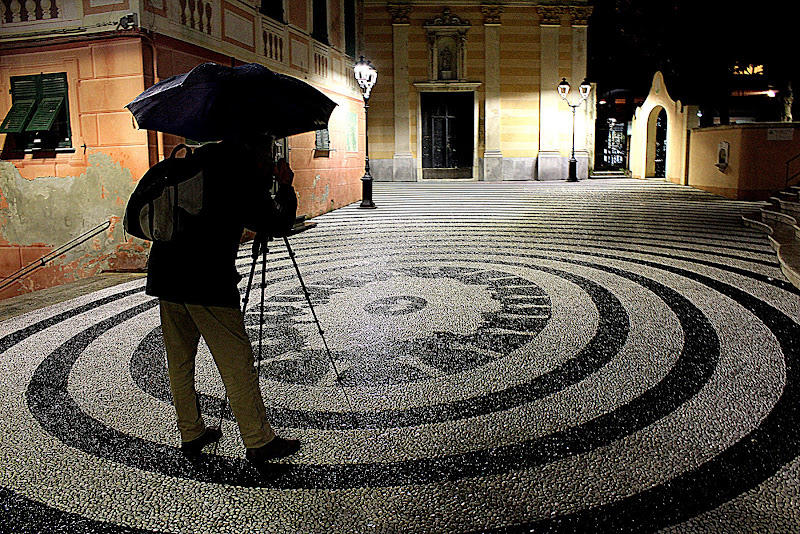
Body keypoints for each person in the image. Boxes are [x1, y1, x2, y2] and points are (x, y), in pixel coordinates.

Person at [145, 135, 300, 474]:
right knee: (237, 362)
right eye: (269, 151)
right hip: (207, 282)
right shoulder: (238, 175)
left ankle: (192, 432)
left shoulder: (191, 165)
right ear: (256, 151)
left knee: (180, 361)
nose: (269, 158)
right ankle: (259, 441)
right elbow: (276, 223)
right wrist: (285, 186)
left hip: (166, 277)